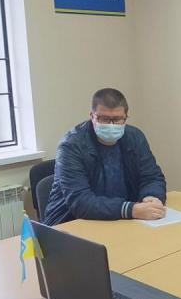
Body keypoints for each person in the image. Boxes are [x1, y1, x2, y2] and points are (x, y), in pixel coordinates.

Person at [43, 88, 167, 225]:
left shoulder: (135, 137)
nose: (111, 124)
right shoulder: (71, 145)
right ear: (92, 116)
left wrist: (151, 197)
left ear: (125, 117)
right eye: (104, 118)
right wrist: (131, 210)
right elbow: (80, 201)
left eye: (117, 119)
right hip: (70, 222)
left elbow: (152, 177)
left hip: (120, 220)